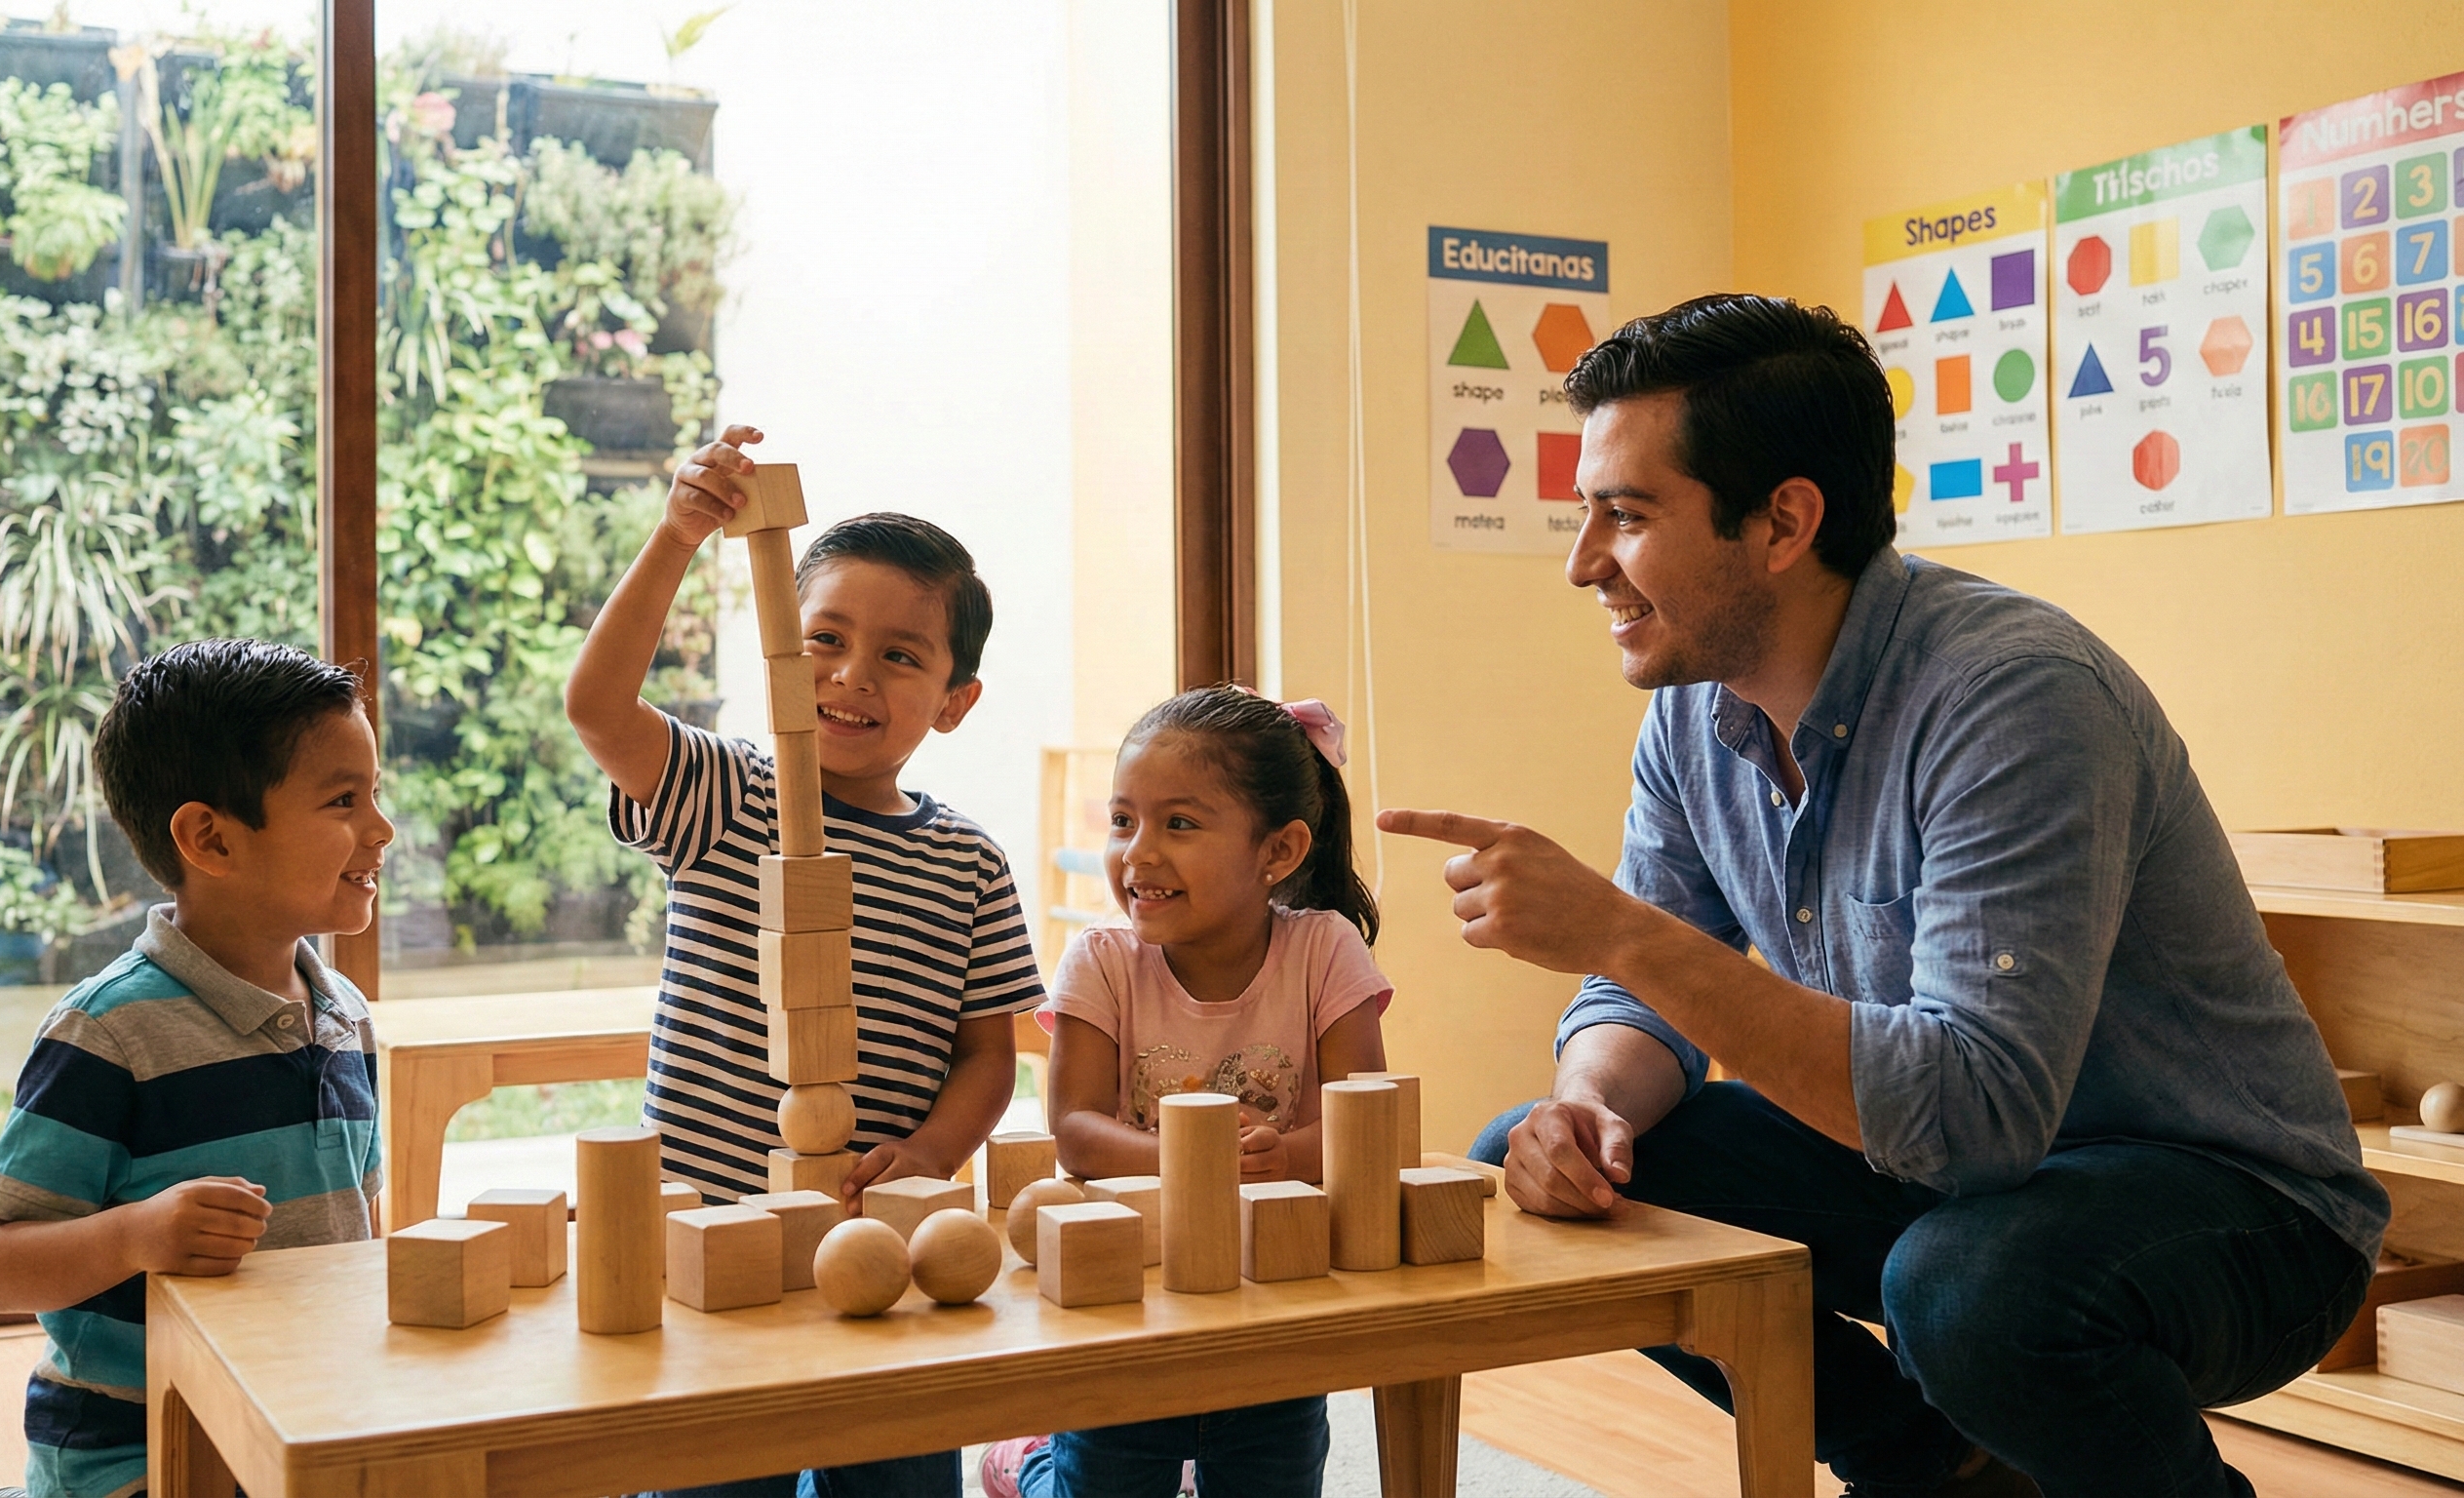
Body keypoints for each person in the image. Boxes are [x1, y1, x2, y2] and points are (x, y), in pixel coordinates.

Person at [1383, 295, 2383, 1498]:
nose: (1582, 561)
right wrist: (1585, 1106)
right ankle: (1929, 1467)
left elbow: (1974, 1116)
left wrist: (1611, 926)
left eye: (1626, 515)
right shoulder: (1691, 714)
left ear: (1782, 522)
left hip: (2235, 1208)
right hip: (1960, 1185)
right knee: (1550, 1170)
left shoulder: (2014, 698)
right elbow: (1640, 994)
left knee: (1968, 1286)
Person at [567, 425, 1041, 1498]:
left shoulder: (966, 861)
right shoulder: (724, 795)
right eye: (822, 639)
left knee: (899, 1476)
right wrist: (679, 535)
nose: (849, 676)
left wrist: (926, 1153)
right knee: (711, 1477)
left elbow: (986, 1059)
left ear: (955, 702)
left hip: (878, 1239)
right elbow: (597, 706)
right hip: (706, 1231)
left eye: (899, 656)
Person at [0, 640, 391, 1498]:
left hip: (303, 1428)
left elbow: (359, 1235)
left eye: (374, 795)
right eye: (344, 800)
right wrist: (138, 1234)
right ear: (210, 839)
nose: (381, 828)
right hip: (138, 1452)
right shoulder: (108, 1032)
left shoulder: (345, 1015)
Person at [981, 685, 1391, 1498]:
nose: (1138, 852)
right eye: (1123, 819)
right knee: (1103, 1481)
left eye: (1179, 823)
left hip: (1272, 1290)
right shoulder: (1101, 962)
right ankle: (1025, 1463)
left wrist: (1285, 1153)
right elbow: (1076, 1130)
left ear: (1277, 851)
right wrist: (1192, 1156)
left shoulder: (1324, 949)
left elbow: (1369, 1123)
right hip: (1130, 1293)